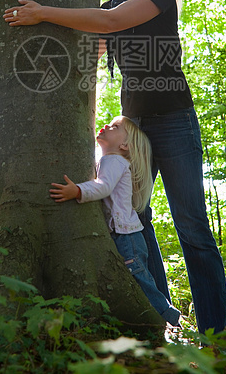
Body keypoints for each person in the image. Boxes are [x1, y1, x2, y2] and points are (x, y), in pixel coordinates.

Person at [3, 0, 226, 334]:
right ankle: (164, 317)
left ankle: (217, 334)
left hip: (174, 119)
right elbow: (98, 31)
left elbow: (107, 24)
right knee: (135, 217)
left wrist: (41, 13)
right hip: (136, 124)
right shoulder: (117, 0)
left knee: (191, 225)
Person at [49, 115, 182, 327]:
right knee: (138, 279)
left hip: (127, 238)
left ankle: (168, 317)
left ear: (125, 145)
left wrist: (77, 191)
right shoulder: (111, 161)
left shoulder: (114, 160)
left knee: (140, 281)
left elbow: (103, 186)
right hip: (127, 236)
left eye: (115, 126)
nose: (106, 126)